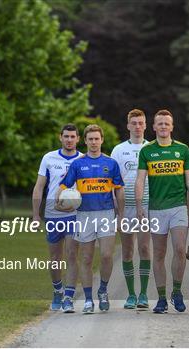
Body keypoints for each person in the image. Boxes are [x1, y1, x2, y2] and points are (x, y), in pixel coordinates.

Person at [135, 109, 189, 314]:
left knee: (180, 249)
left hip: (178, 207)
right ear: (154, 127)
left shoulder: (182, 150)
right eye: (160, 124)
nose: (163, 127)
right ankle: (162, 298)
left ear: (172, 127)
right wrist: (139, 206)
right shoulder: (146, 151)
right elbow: (140, 180)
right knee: (159, 253)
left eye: (167, 124)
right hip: (156, 209)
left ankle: (177, 291)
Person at [56, 124, 125, 314]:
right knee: (86, 258)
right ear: (85, 141)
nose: (94, 142)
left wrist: (121, 215)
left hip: (106, 214)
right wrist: (58, 202)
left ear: (102, 140)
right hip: (84, 215)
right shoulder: (77, 164)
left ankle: (102, 290)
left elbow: (119, 191)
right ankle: (88, 300)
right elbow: (63, 186)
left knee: (106, 256)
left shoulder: (111, 164)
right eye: (90, 139)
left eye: (97, 139)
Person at [32, 124, 83, 311]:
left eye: (73, 136)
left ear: (78, 139)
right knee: (55, 257)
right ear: (60, 138)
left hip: (75, 215)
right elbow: (39, 187)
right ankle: (57, 291)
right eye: (66, 136)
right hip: (53, 216)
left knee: (71, 254)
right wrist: (36, 215)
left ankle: (68, 296)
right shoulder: (48, 158)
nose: (69, 140)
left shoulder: (82, 159)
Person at [110, 109, 151, 309]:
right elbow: (113, 182)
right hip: (125, 206)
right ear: (127, 126)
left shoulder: (152, 148)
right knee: (127, 251)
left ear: (145, 125)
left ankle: (143, 293)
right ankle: (131, 294)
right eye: (133, 123)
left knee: (144, 248)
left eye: (140, 123)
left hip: (146, 205)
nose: (137, 126)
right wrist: (116, 209)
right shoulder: (118, 150)